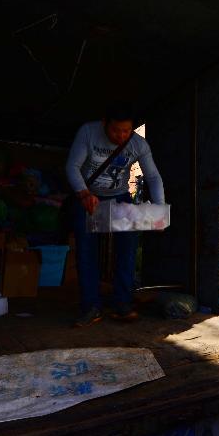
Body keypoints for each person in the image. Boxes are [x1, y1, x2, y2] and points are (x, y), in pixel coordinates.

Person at [65, 104, 165, 327]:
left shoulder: (139, 144)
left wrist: (159, 208)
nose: (120, 136)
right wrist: (83, 194)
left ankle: (122, 304)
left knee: (127, 251)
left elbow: (153, 178)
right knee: (86, 252)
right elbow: (72, 166)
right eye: (115, 130)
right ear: (104, 123)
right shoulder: (88, 132)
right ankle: (91, 307)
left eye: (126, 131)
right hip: (88, 197)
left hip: (119, 197)